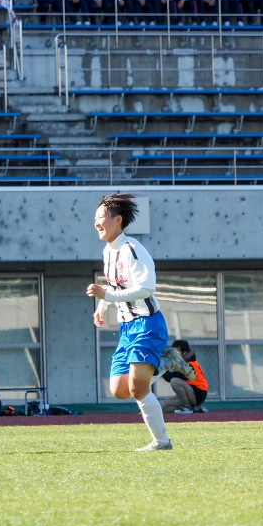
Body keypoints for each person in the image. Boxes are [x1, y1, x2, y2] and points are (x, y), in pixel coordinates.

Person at [87, 193, 173, 451]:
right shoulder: (108, 251)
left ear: (118, 220)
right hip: (127, 329)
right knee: (119, 389)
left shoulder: (132, 249)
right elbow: (115, 286)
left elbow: (146, 288)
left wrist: (108, 297)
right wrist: (102, 306)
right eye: (95, 217)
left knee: (138, 389)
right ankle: (166, 362)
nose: (96, 222)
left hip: (147, 324)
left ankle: (162, 442)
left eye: (101, 217)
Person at [159, 339, 209, 414]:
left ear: (184, 353)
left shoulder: (189, 365)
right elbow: (169, 377)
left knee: (174, 381)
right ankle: (194, 408)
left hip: (197, 394)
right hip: (189, 393)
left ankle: (187, 406)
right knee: (163, 406)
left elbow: (170, 378)